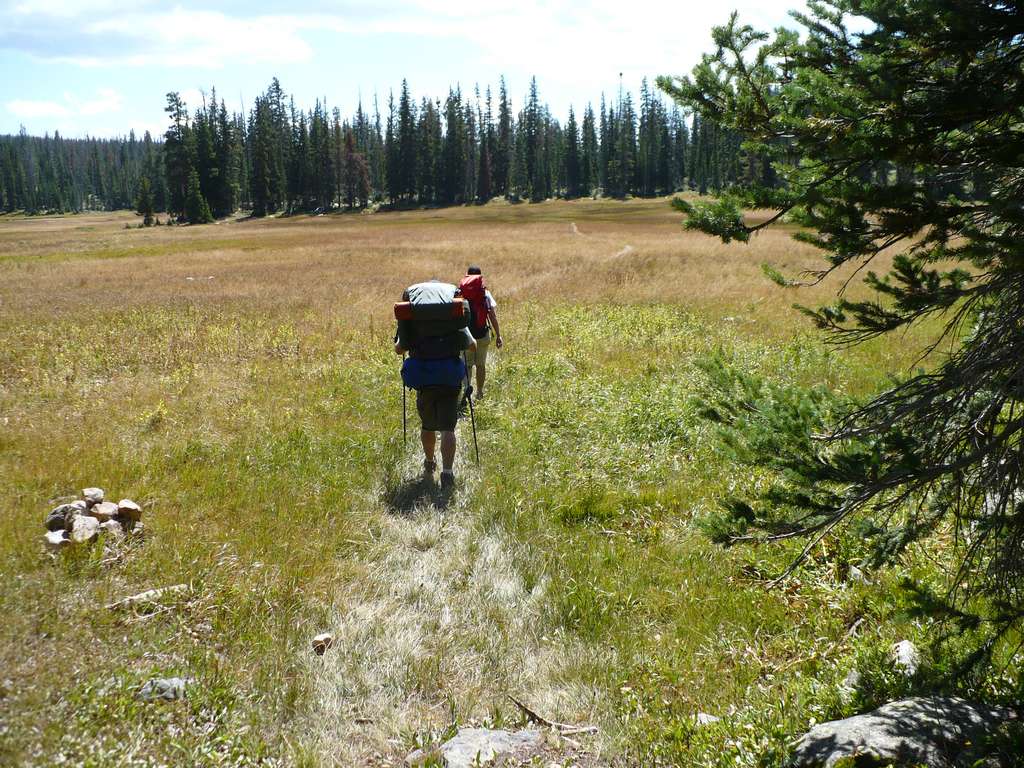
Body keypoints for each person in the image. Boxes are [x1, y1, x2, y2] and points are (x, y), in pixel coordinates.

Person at [395, 280, 477, 487]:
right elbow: (472, 346)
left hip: (424, 378)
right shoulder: (454, 318)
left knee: (428, 425)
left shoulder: (414, 320)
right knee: (448, 428)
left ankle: (430, 462)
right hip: (449, 378)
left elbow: (399, 349)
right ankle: (447, 472)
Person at [460, 265, 503, 400]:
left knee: (467, 365)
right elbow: (492, 315)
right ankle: (479, 392)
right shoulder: (484, 293)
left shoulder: (460, 292)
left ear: (467, 276)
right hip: (482, 334)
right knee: (480, 365)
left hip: (466, 336)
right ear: (480, 277)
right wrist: (498, 335)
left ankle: (467, 390)